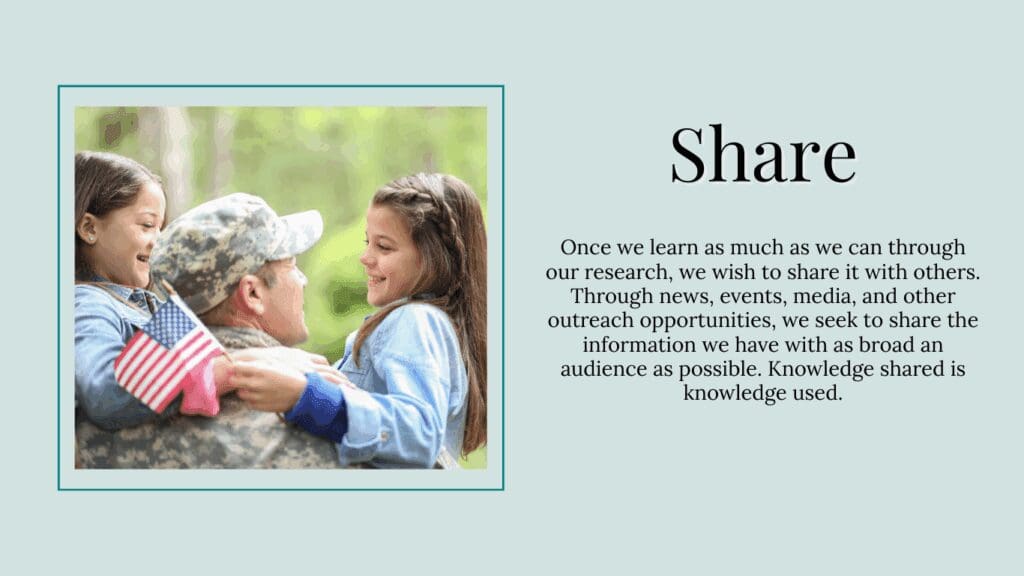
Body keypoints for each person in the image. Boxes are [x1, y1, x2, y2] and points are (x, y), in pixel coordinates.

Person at [232, 173, 487, 469]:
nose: (365, 257)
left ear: (432, 257)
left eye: (384, 247)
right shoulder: (415, 322)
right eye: (368, 243)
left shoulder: (415, 319)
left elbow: (419, 434)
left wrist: (305, 396)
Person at [76, 192, 345, 468]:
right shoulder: (321, 420)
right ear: (252, 293)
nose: (303, 279)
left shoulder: (85, 430)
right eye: (292, 264)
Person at [74, 150, 179, 430]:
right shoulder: (87, 303)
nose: (159, 242)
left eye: (161, 229)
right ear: (89, 228)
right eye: (147, 225)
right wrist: (199, 376)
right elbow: (104, 392)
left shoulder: (149, 303)